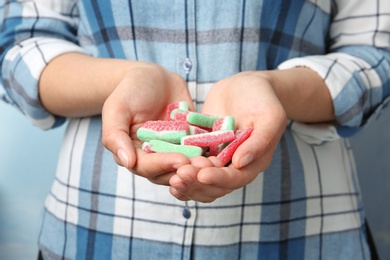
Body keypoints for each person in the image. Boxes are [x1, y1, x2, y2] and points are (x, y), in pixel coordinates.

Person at [1, 1, 389, 259]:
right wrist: (127, 78)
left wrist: (276, 88)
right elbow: (20, 43)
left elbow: (377, 55)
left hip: (305, 236)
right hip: (91, 232)